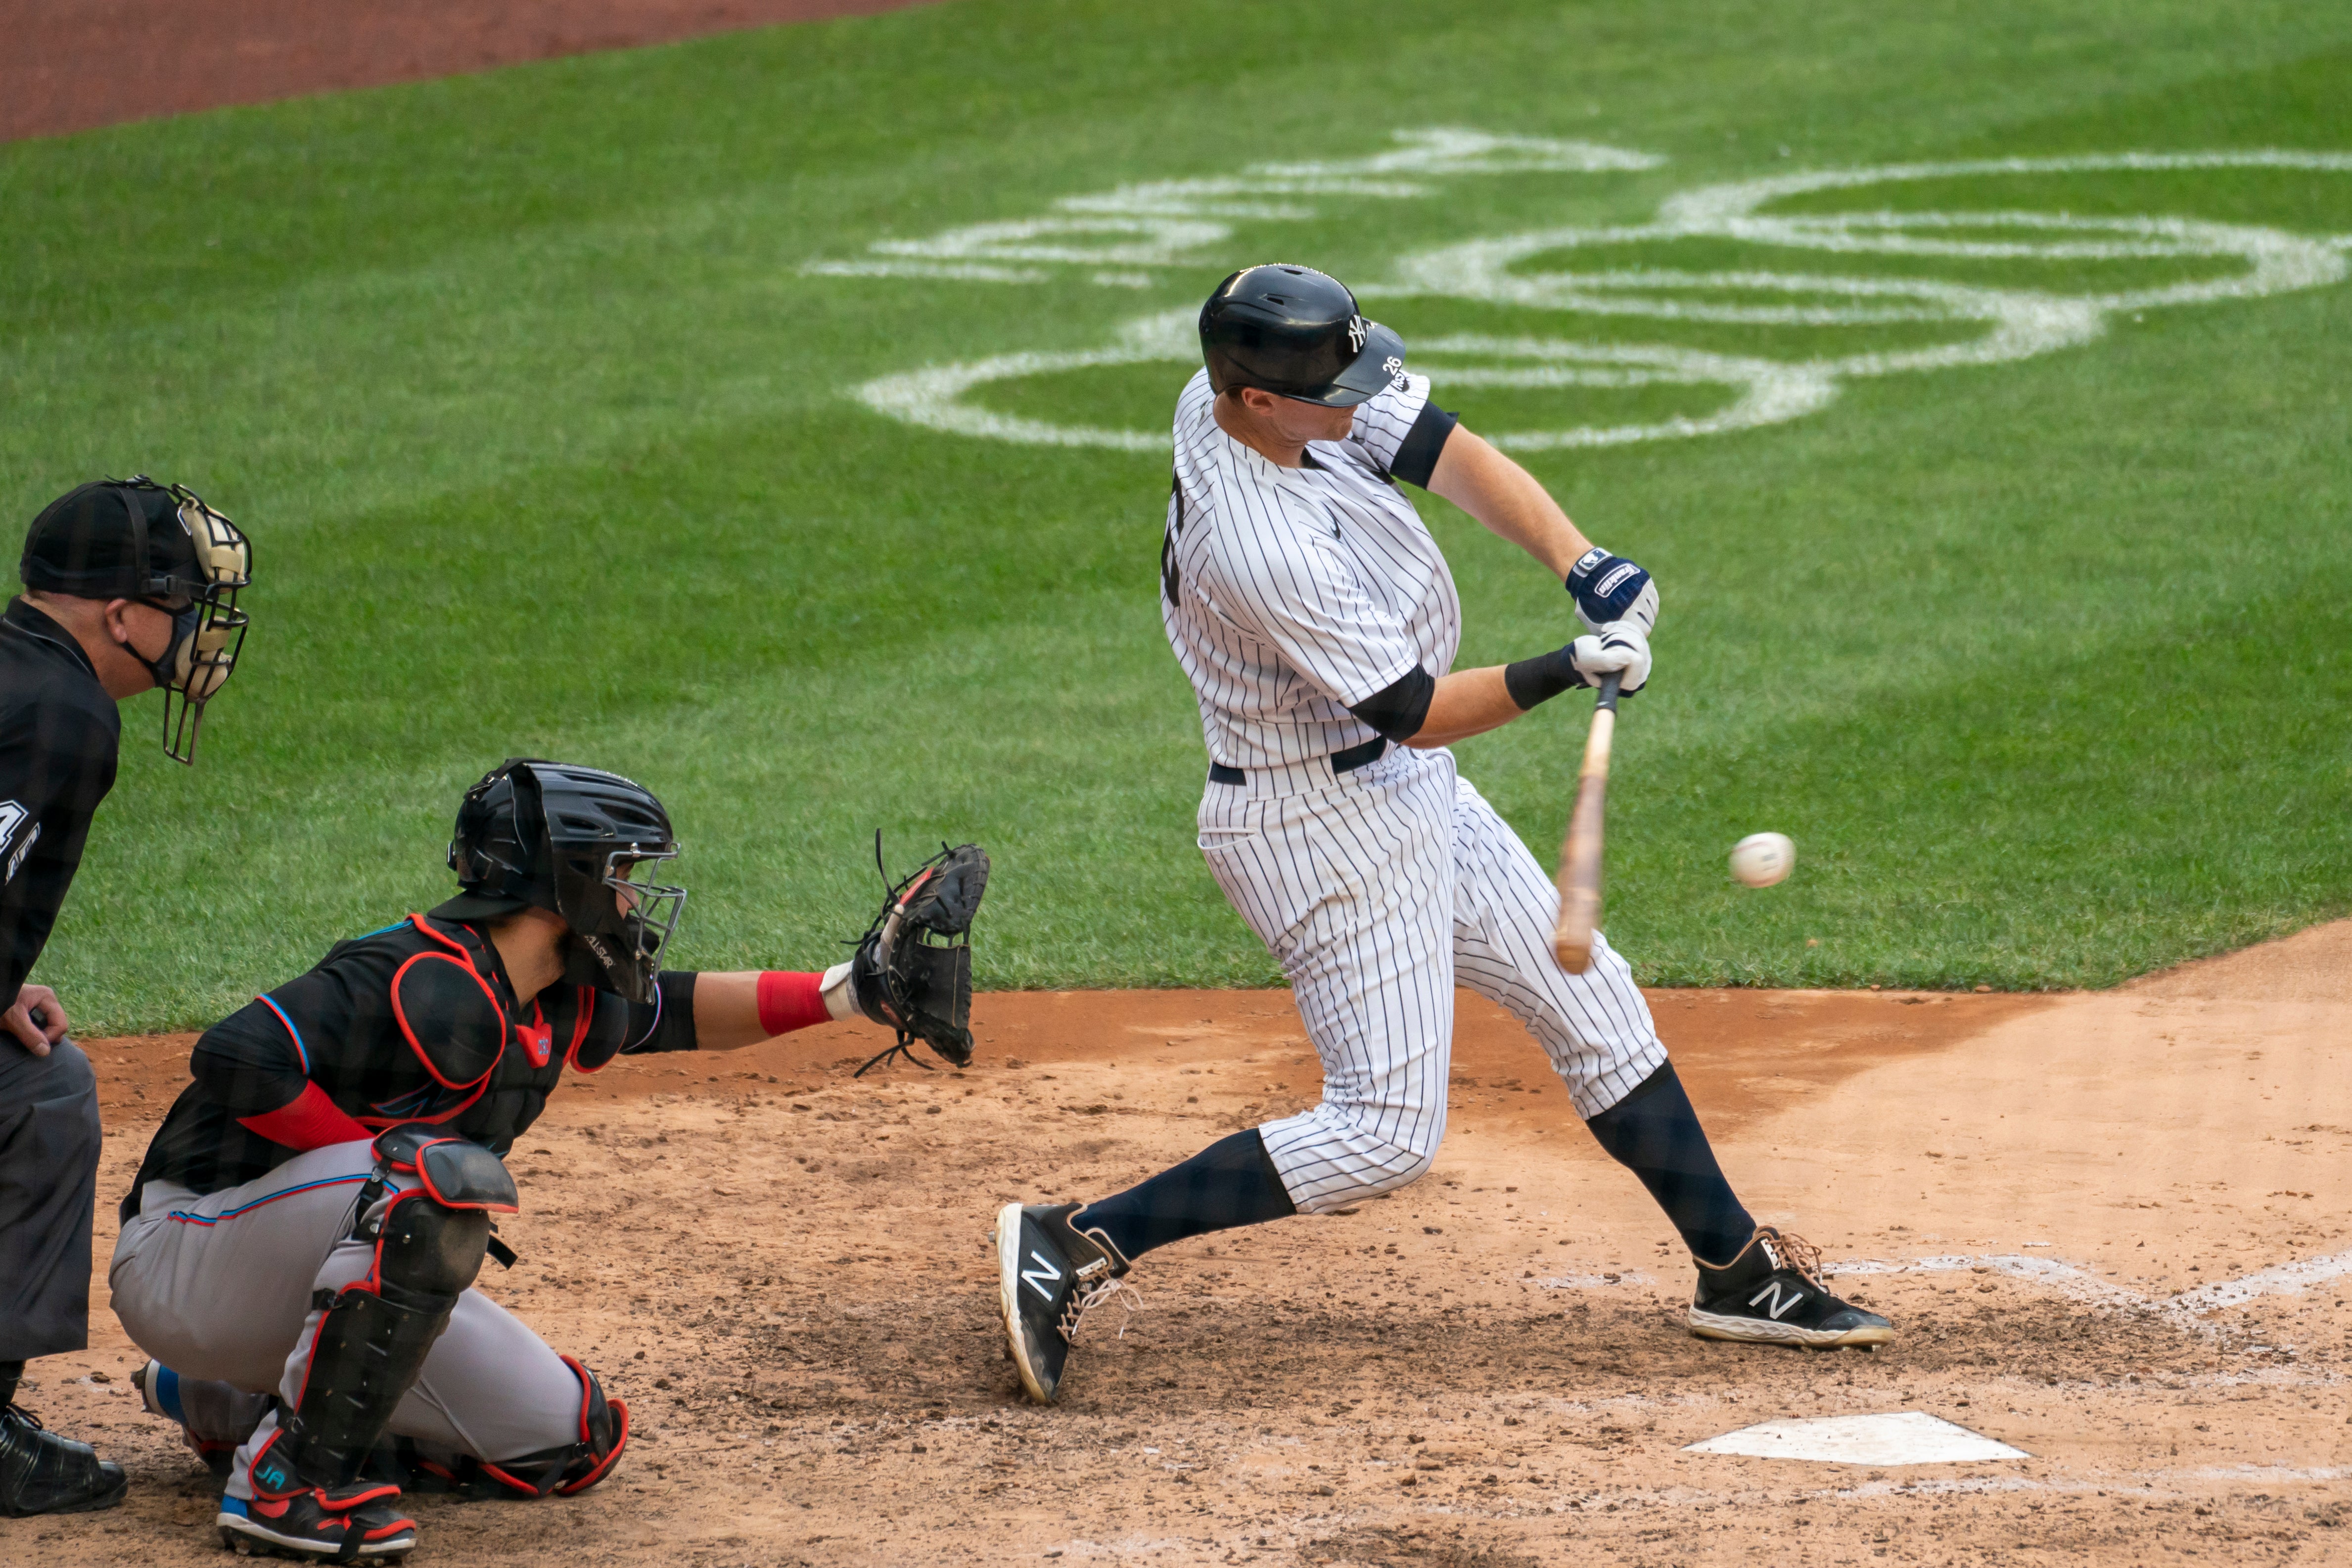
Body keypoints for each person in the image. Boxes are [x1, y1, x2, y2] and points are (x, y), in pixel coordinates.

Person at [995, 264, 1890, 1405]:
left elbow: (1441, 446)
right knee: (1381, 1131)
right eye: (1336, 389)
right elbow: (1412, 714)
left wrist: (1581, 561)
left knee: (1594, 1006)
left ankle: (1735, 1272)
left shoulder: (1240, 389)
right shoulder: (1257, 542)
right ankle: (1076, 1239)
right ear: (1256, 399)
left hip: (1392, 792)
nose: (1359, 399)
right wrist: (1569, 666)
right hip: (1314, 822)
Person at [111, 759, 985, 1562]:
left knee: (570, 1436)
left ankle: (229, 1400)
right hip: (185, 1253)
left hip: (296, 1267)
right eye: (622, 876)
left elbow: (677, 1012)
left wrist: (850, 990)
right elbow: (236, 1054)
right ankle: (287, 1486)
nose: (634, 901)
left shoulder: (551, 993)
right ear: (564, 881)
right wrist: (375, 1162)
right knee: (429, 1179)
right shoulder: (414, 974)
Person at [0, 476, 253, 1515]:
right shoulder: (64, 716)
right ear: (120, 614)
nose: (197, 631)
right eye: (184, 608)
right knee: (45, 1100)